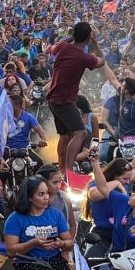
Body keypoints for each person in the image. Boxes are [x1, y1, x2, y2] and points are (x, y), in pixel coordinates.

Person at [46, 22, 120, 173]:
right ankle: (67, 170)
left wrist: (70, 37)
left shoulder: (63, 47)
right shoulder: (84, 58)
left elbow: (95, 142)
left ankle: (63, 170)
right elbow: (102, 60)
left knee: (65, 136)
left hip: (53, 99)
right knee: (81, 133)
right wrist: (95, 41)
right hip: (63, 101)